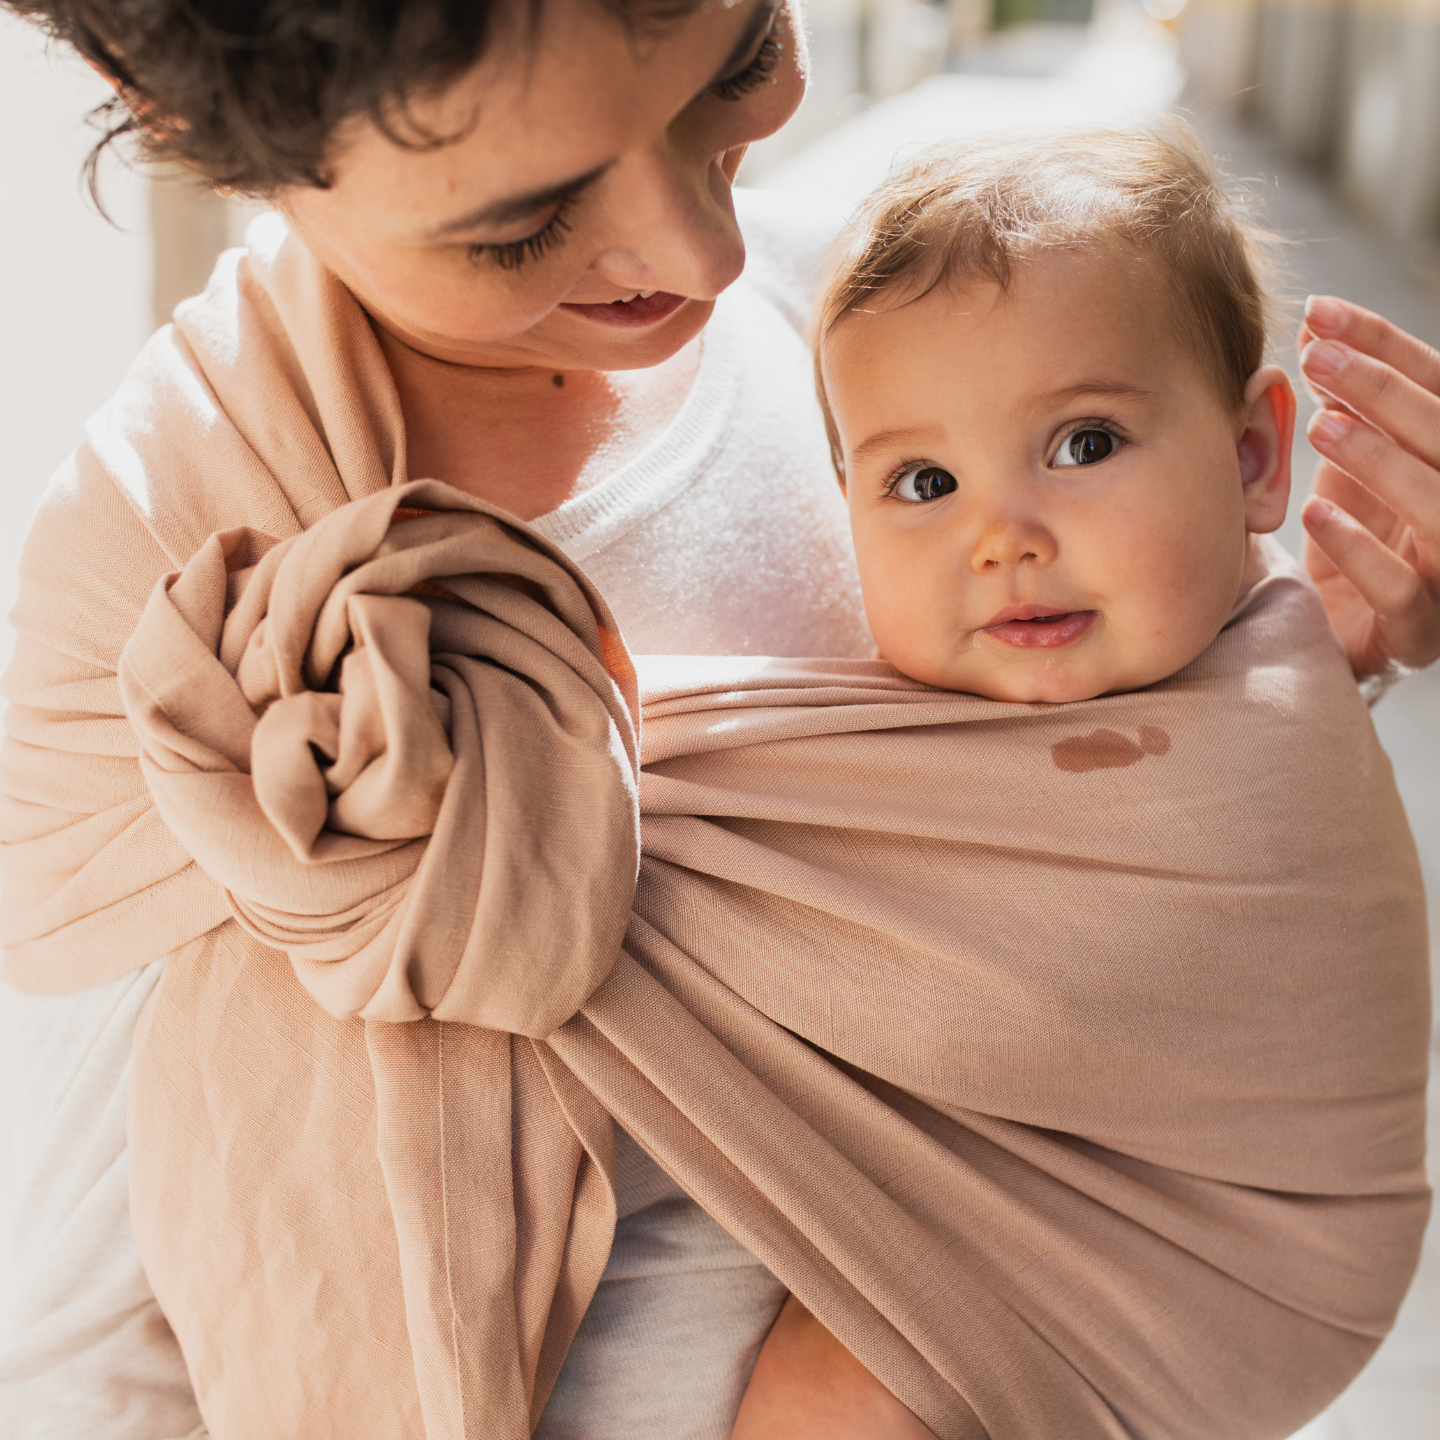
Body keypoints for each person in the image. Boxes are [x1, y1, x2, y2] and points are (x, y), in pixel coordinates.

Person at [0, 0, 1433, 1434]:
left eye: (738, 70)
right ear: (182, 117)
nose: (705, 251)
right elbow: (95, 1344)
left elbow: (1040, 853)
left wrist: (1276, 679)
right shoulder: (171, 592)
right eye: (524, 220)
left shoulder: (870, 328)